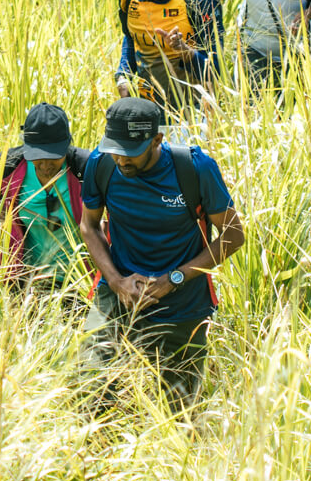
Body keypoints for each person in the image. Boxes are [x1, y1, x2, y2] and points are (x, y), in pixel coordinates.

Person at [80, 97, 245, 407]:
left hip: (183, 305)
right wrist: (117, 282)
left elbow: (233, 235)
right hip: (118, 294)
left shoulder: (194, 169)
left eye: (131, 153)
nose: (121, 161)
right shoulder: (101, 164)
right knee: (89, 391)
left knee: (179, 410)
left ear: (157, 140)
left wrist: (174, 278)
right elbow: (89, 226)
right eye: (116, 150)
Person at [93, 0, 223, 115]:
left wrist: (184, 51)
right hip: (147, 112)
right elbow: (131, 39)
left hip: (194, 115)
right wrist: (123, 75)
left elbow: (217, 69)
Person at [0, 103, 89, 287]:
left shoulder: (85, 168)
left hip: (77, 281)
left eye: (55, 156)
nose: (46, 165)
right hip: (25, 281)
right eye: (38, 156)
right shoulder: (7, 168)